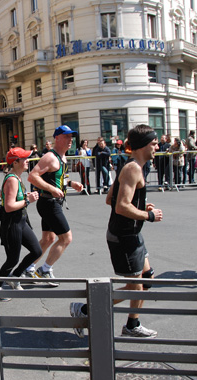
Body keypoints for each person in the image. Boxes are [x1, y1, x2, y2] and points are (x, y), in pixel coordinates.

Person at [69, 125, 161, 339]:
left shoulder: (135, 166)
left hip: (133, 233)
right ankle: (83, 310)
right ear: (143, 145)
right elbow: (120, 206)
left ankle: (132, 324)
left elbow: (110, 198)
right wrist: (148, 215)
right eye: (154, 143)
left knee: (146, 279)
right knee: (134, 286)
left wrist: (141, 206)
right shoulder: (133, 169)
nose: (157, 146)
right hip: (123, 236)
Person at [26, 125, 83, 285]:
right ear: (57, 138)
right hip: (49, 203)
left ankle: (28, 267)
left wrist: (71, 183)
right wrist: (52, 189)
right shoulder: (50, 157)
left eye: (71, 137)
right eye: (66, 136)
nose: (70, 140)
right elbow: (32, 176)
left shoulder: (62, 157)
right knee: (66, 238)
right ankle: (44, 270)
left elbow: (59, 178)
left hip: (53, 202)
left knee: (48, 238)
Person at [0, 148, 42, 295]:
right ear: (15, 162)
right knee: (12, 260)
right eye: (24, 158)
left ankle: (15, 277)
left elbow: (15, 200)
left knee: (37, 251)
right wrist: (28, 200)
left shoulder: (17, 177)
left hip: (21, 222)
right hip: (12, 224)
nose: (27, 160)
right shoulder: (12, 179)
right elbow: (9, 207)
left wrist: (25, 197)